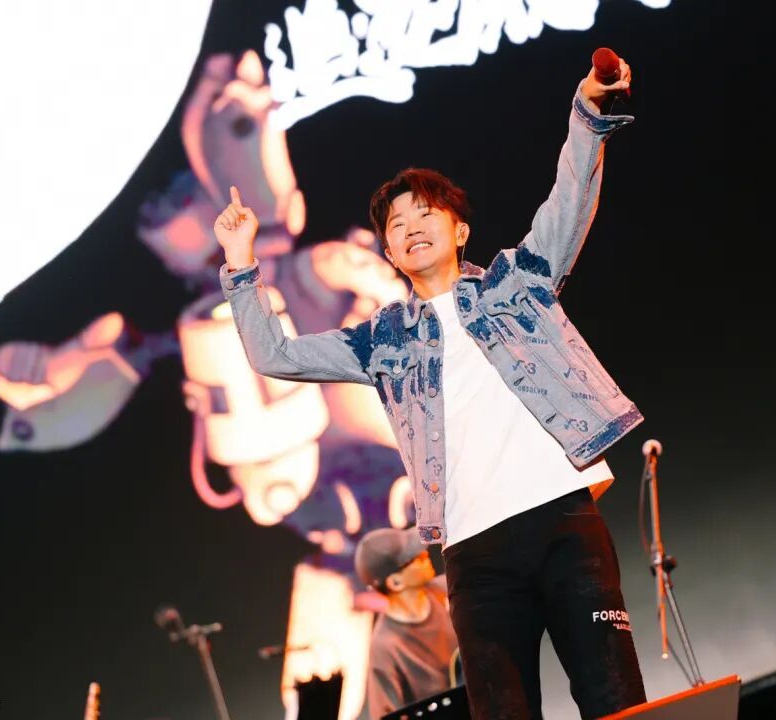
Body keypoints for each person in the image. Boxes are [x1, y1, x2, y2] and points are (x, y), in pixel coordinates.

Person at [213, 51, 646, 718]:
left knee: (613, 697)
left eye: (425, 213)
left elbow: (569, 201)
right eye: (397, 225)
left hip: (562, 519)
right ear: (388, 252)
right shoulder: (382, 340)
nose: (412, 227)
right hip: (474, 552)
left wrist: (588, 112)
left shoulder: (516, 283)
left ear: (459, 228)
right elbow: (276, 355)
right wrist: (241, 268)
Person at [354, 527, 459, 718]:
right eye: (414, 558)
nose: (424, 554)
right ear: (395, 583)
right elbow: (386, 712)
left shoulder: (447, 589)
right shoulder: (386, 646)